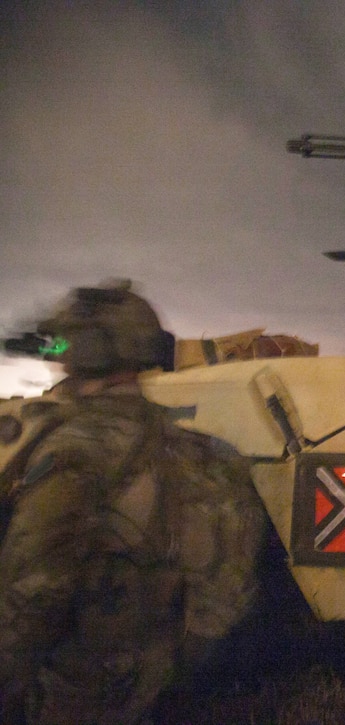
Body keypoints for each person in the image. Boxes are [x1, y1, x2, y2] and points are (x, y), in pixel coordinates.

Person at [0, 281, 265, 724]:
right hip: (162, 688)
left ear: (86, 353)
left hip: (77, 695)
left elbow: (31, 599)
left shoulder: (76, 452)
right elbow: (226, 599)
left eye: (65, 344)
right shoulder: (205, 454)